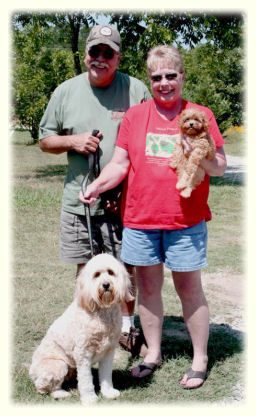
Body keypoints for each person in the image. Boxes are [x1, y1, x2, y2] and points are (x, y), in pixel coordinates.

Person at [79, 45, 227, 389]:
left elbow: (219, 166)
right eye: (157, 77)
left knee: (190, 289)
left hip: (185, 220)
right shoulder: (135, 116)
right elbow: (120, 163)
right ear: (150, 80)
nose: (164, 83)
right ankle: (152, 353)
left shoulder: (200, 113)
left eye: (171, 76)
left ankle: (200, 358)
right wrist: (97, 186)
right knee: (147, 288)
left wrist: (200, 158)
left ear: (182, 77)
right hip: (141, 219)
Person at [39, 25, 151, 356]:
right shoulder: (65, 91)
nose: (100, 59)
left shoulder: (136, 90)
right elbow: (45, 139)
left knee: (125, 270)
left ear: (118, 57)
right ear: (86, 54)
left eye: (108, 53)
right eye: (94, 52)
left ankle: (128, 332)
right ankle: (86, 332)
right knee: (86, 271)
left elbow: (148, 142)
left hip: (124, 202)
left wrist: (129, 183)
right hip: (80, 203)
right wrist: (72, 141)